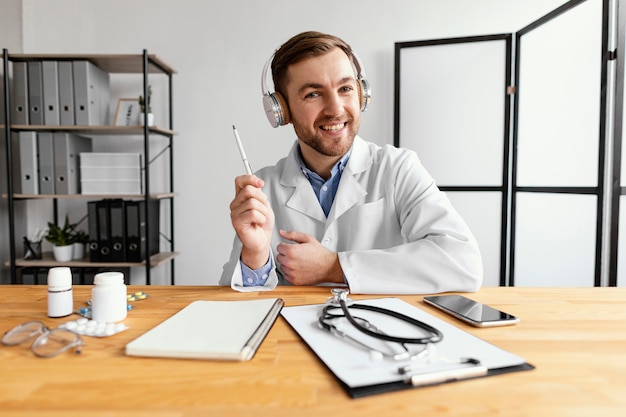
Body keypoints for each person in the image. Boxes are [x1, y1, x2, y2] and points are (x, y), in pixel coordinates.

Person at [220, 31, 482, 294]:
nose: (335, 109)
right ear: (282, 110)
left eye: (345, 89)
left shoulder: (399, 169)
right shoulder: (262, 191)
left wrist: (333, 266)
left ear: (361, 93)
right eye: (313, 94)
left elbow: (463, 263)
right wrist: (254, 256)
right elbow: (236, 306)